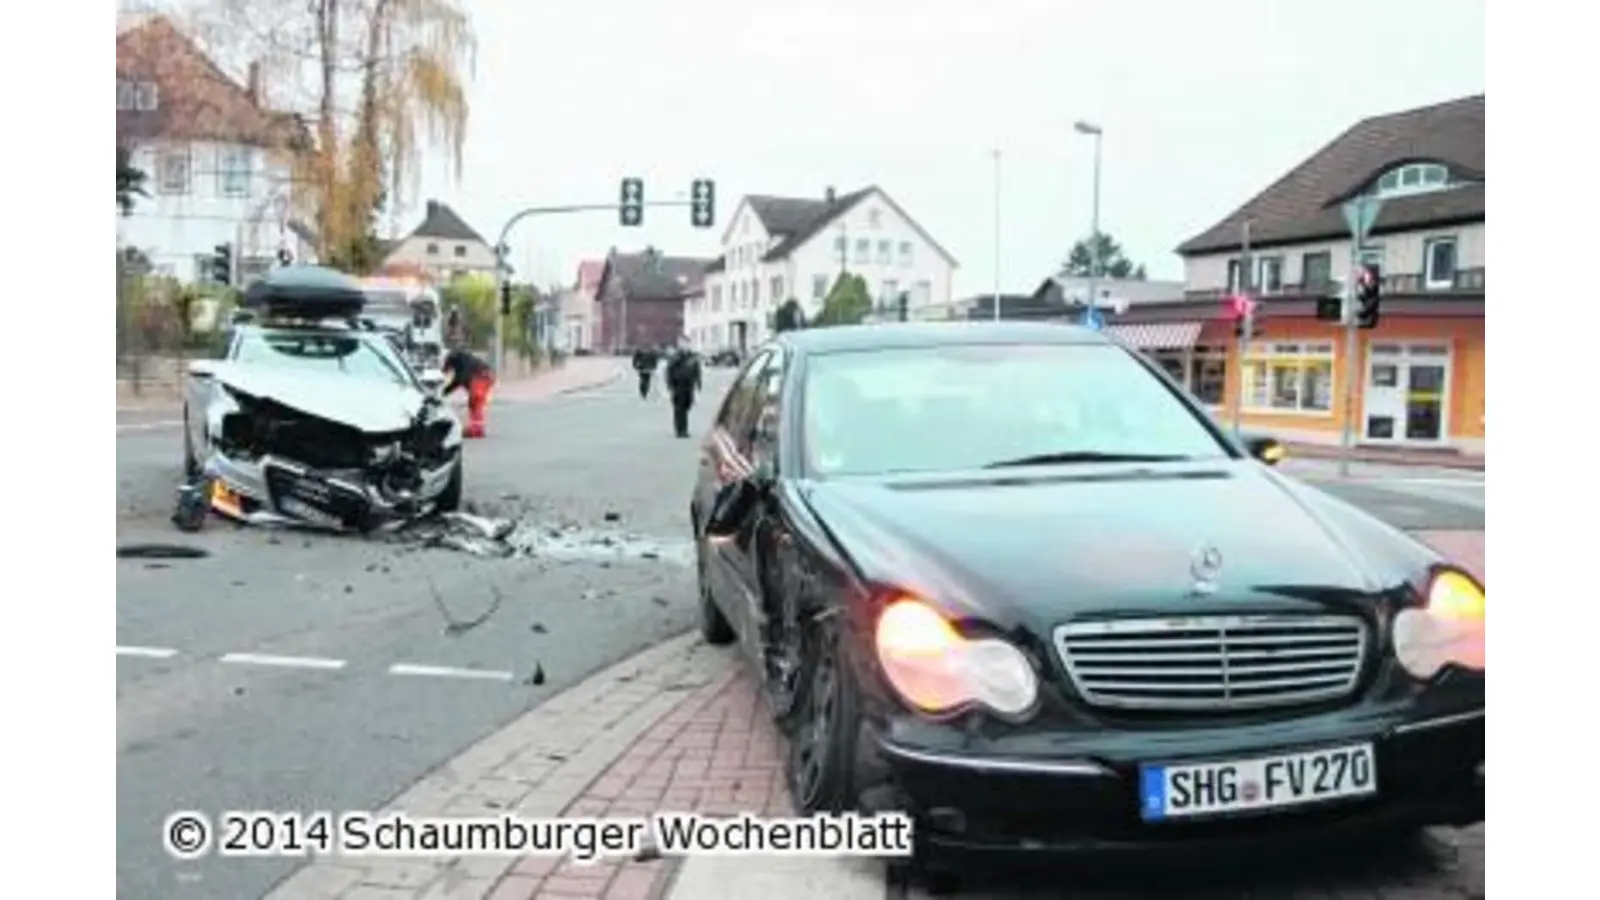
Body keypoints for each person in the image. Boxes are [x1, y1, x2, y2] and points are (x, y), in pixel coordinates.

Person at [441, 346, 495, 438]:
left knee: (475, 402)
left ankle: (476, 430)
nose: (449, 371)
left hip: (481, 376)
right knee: (475, 403)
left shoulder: (459, 361)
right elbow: (459, 380)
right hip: (486, 376)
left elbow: (460, 379)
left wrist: (445, 392)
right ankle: (476, 428)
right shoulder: (461, 360)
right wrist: (445, 391)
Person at [664, 338, 703, 438]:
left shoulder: (693, 357)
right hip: (678, 386)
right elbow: (669, 371)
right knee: (679, 408)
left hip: (689, 386)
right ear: (679, 345)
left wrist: (698, 384)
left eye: (687, 343)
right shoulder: (675, 357)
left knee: (687, 406)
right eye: (683, 344)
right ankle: (681, 430)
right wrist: (670, 385)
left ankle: (683, 429)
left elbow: (697, 371)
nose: (685, 346)